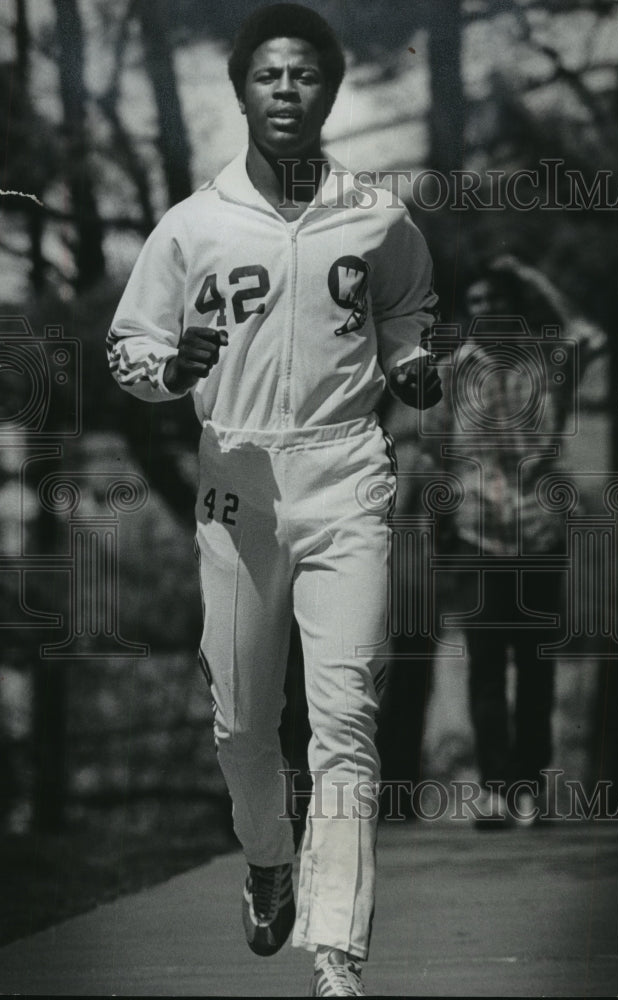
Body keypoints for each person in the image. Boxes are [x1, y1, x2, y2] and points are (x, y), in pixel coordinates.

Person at [107, 5, 442, 994]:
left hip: (345, 472)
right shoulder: (193, 225)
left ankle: (333, 948)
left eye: (304, 76)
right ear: (242, 90)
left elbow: (405, 310)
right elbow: (130, 351)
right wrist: (175, 365)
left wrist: (412, 364)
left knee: (344, 715)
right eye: (268, 76)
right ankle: (266, 860)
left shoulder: (375, 215)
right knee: (246, 723)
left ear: (330, 90)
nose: (286, 91)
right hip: (238, 481)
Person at [442, 255, 607, 827]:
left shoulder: (548, 361)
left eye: (496, 302)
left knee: (534, 665)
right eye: (477, 304)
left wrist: (536, 277)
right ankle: (494, 788)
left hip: (538, 532)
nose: (485, 313)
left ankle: (529, 789)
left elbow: (590, 333)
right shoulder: (458, 365)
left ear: (516, 310)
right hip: (477, 532)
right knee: (486, 664)